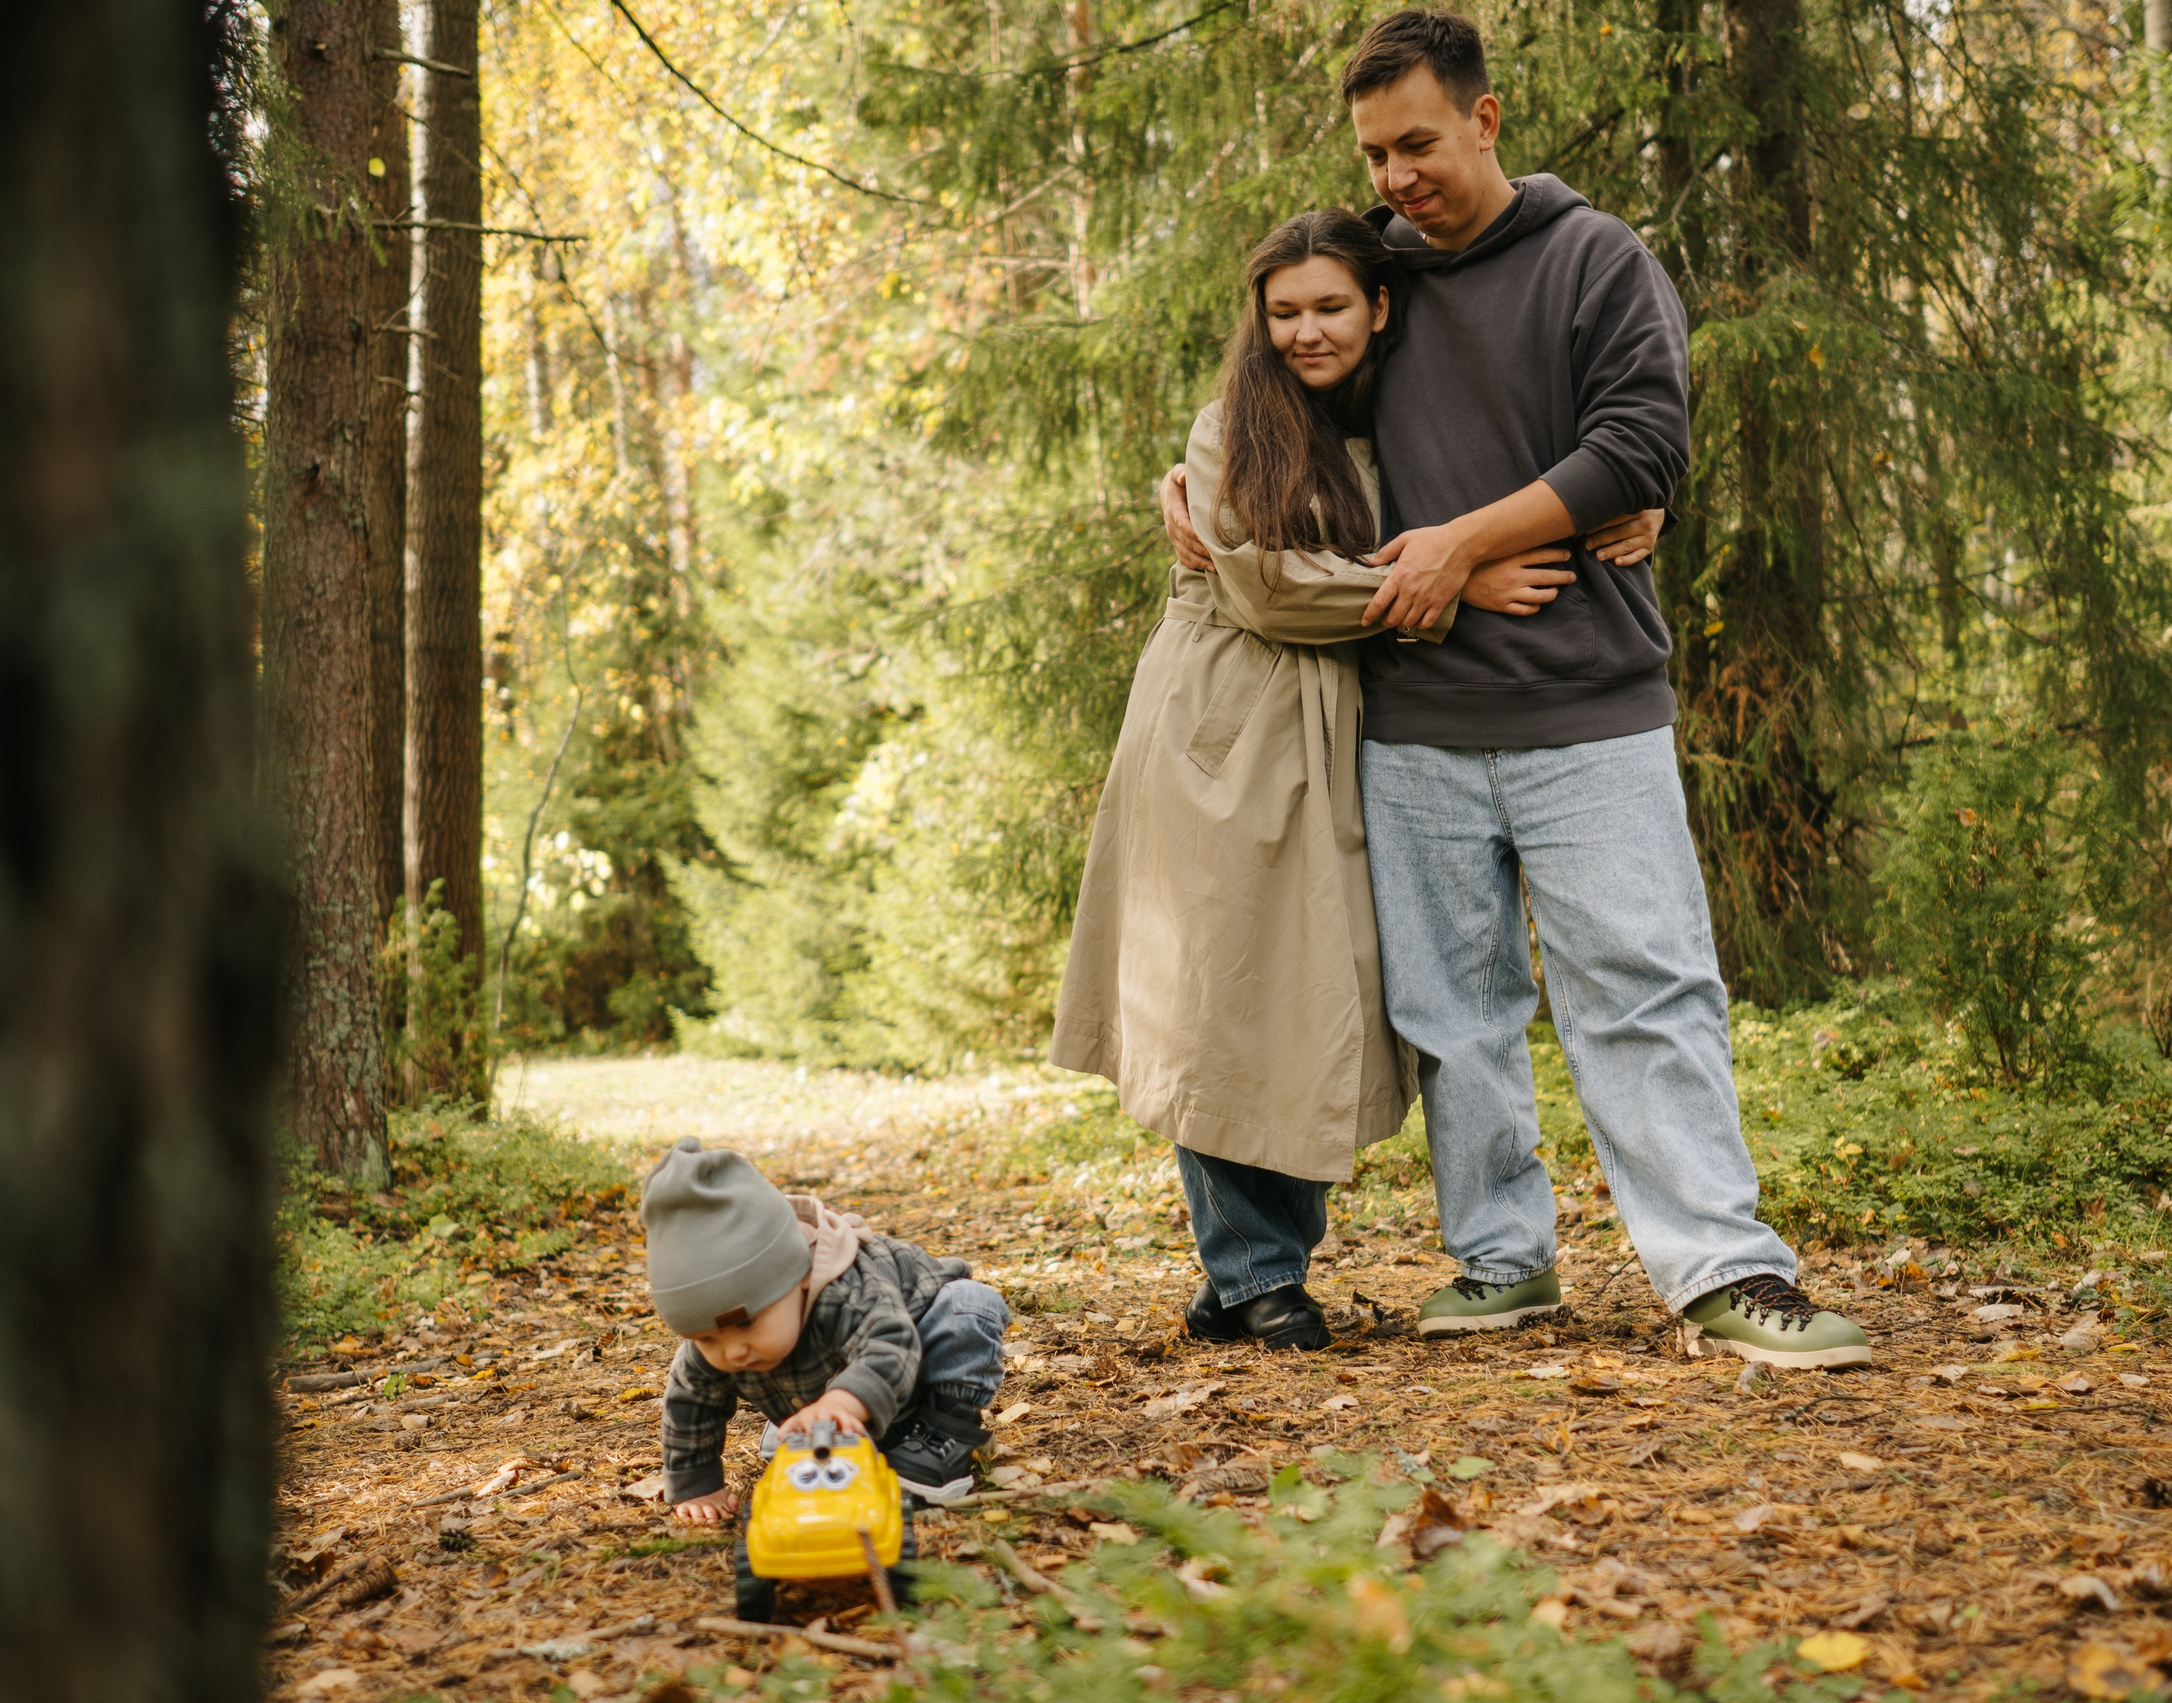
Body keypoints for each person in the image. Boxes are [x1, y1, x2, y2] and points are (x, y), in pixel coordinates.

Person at [1161, 10, 1870, 1369]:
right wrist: (1187, 481)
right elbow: (1281, 389)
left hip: (1587, 705)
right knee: (1454, 1015)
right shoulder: (1384, 280)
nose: (1395, 177)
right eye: (1374, 153)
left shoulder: (1594, 259)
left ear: (1486, 118)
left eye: (1417, 143)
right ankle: (1502, 1258)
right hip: (1415, 722)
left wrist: (1473, 539)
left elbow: (1644, 439)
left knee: (1644, 986)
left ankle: (1723, 1267)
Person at [1054, 209, 1659, 1351]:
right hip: (1224, 731)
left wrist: (1632, 493)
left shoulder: (1394, 412)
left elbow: (1547, 456)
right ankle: (1254, 1268)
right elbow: (1271, 588)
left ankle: (1245, 1264)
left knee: (1306, 999)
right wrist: (1458, 581)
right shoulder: (1234, 423)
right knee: (1226, 995)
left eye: (1329, 306)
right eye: (1282, 312)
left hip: (1335, 728)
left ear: (1378, 307)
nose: (1303, 331)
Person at [645, 1136, 1008, 1510]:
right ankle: (811, 1427)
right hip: (832, 1400)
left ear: (798, 1276)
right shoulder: (718, 1339)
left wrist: (840, 1403)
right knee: (706, 1371)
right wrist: (695, 1484)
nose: (732, 1350)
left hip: (916, 1380)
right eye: (705, 1338)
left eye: (747, 1324)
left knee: (969, 1305)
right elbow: (690, 1402)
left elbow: (891, 1345)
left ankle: (946, 1432)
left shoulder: (845, 1289)